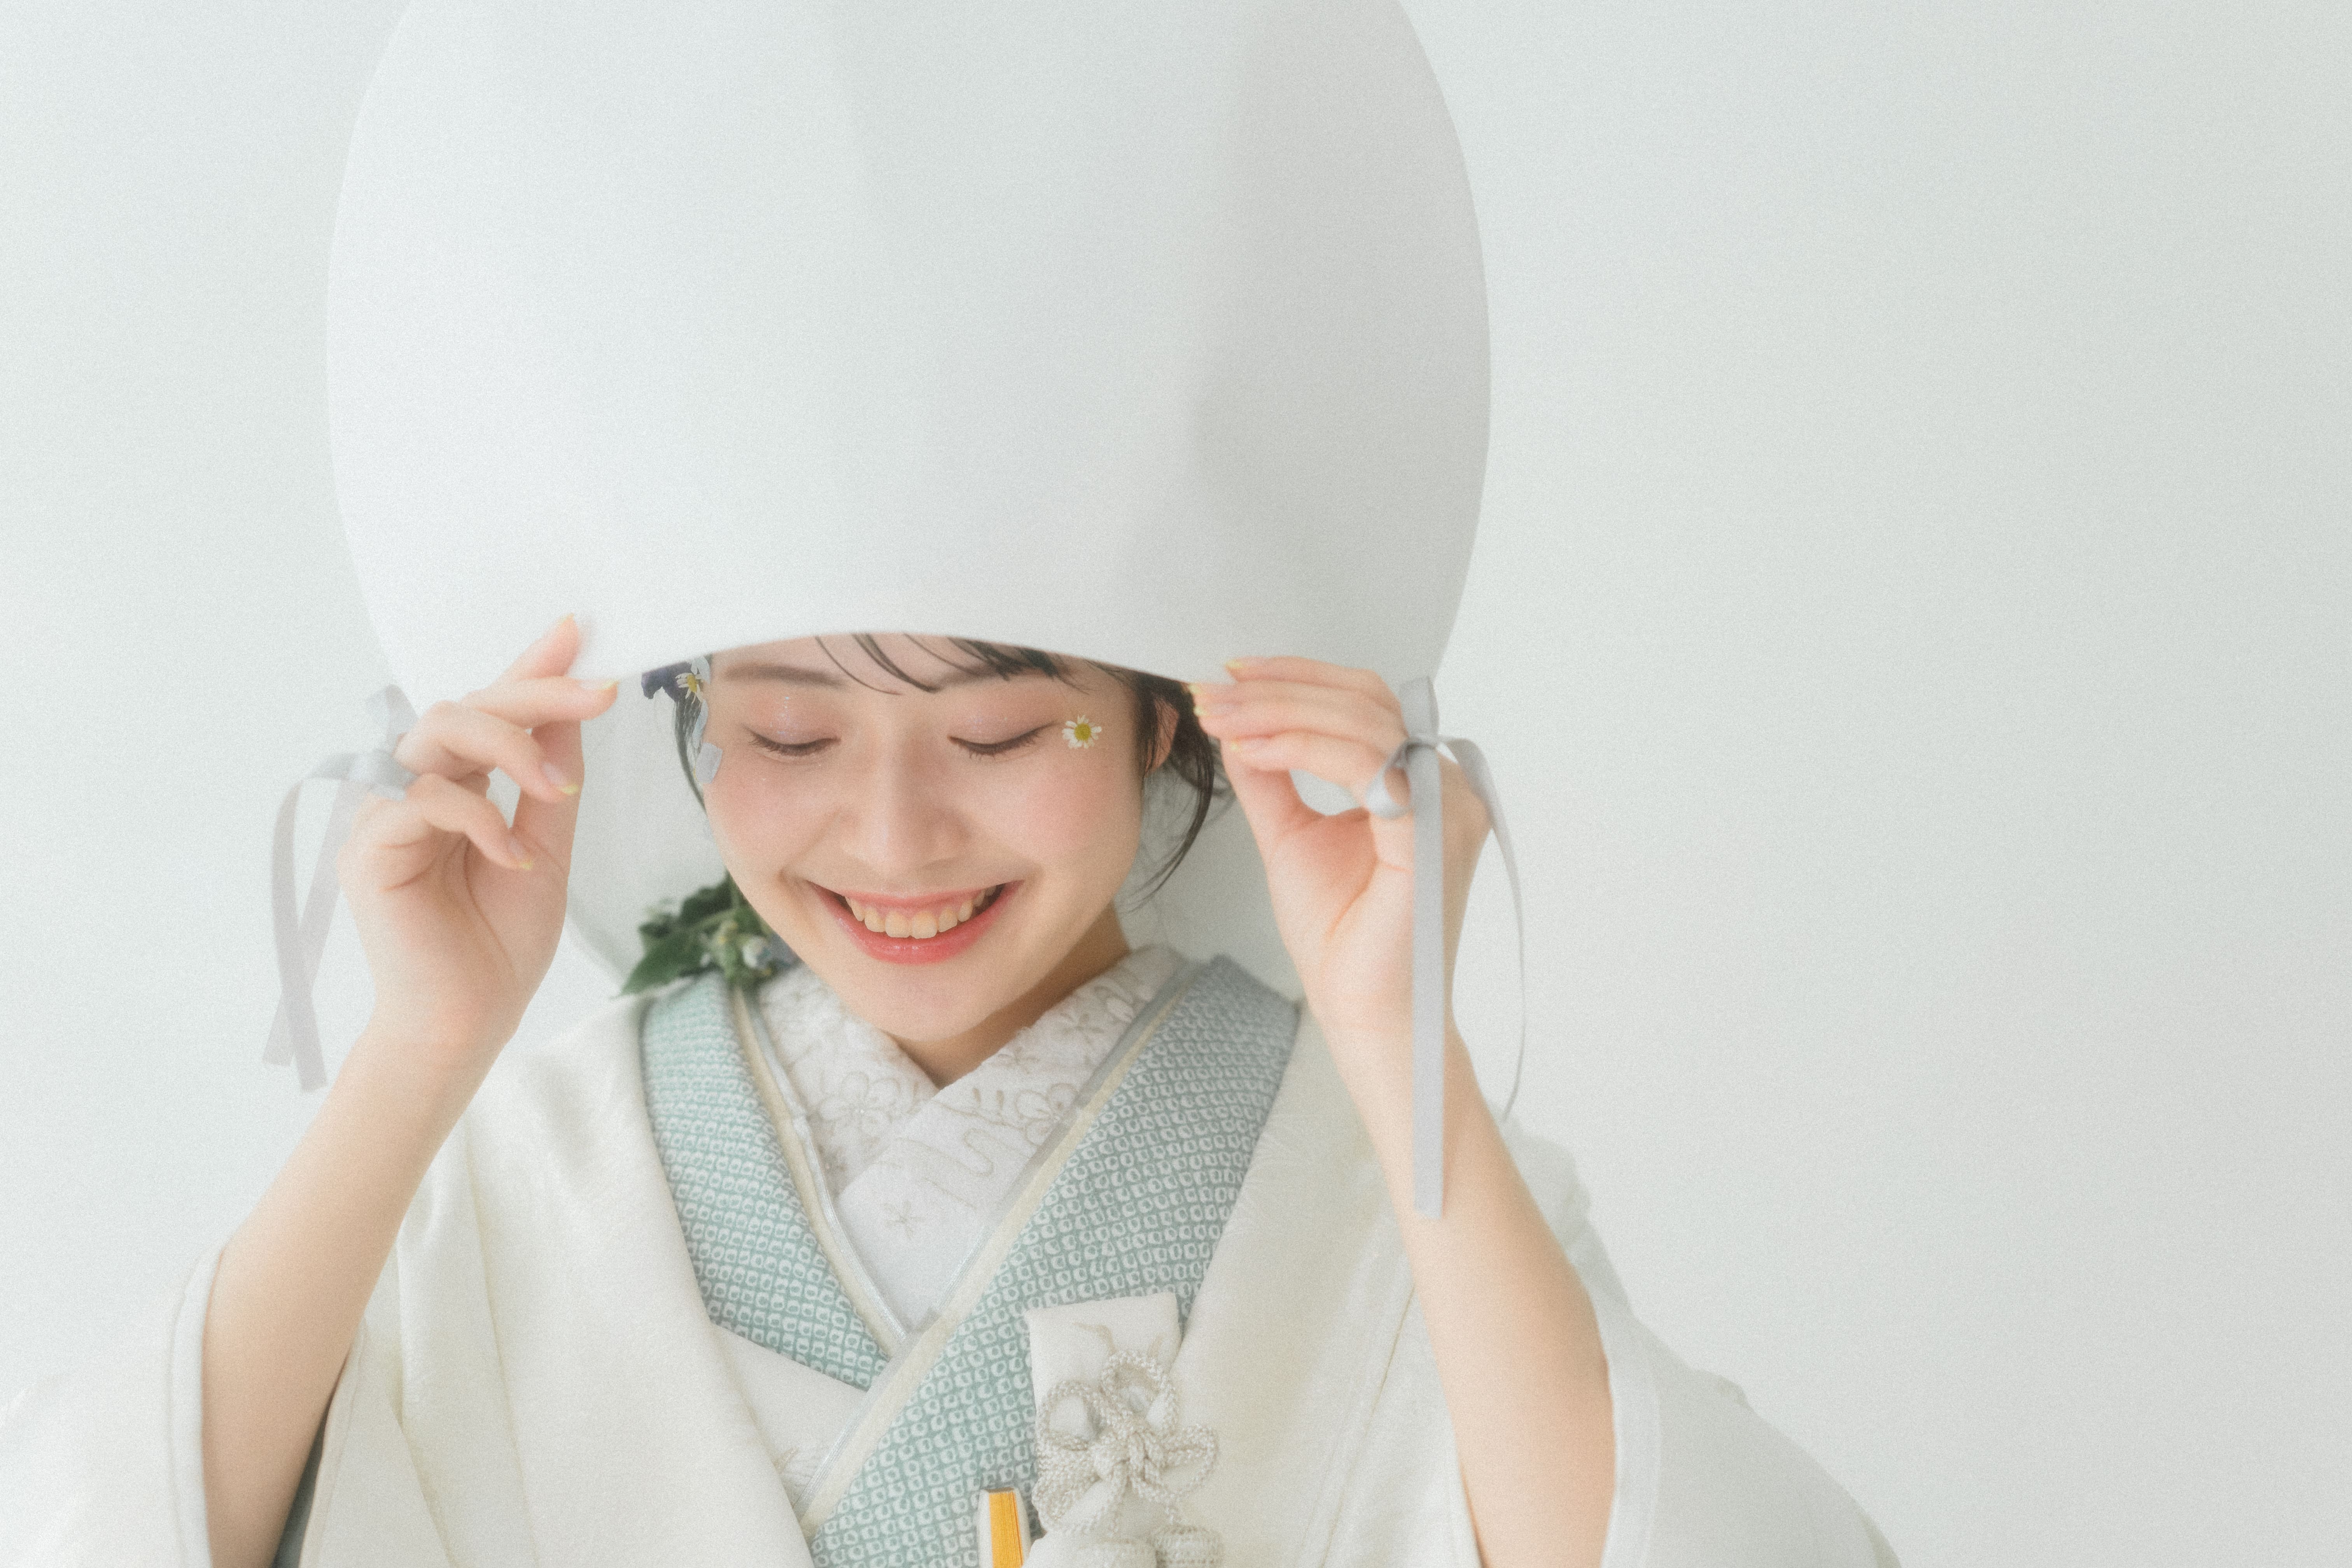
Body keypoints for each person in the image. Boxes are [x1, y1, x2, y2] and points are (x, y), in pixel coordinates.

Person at [0, 2, 1902, 1563]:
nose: (895, 836)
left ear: (1167, 720)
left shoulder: (1379, 1170)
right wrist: (418, 1055)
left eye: (1001, 735)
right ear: (682, 725)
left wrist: (1407, 1055)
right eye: (790, 734)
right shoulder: (524, 1178)